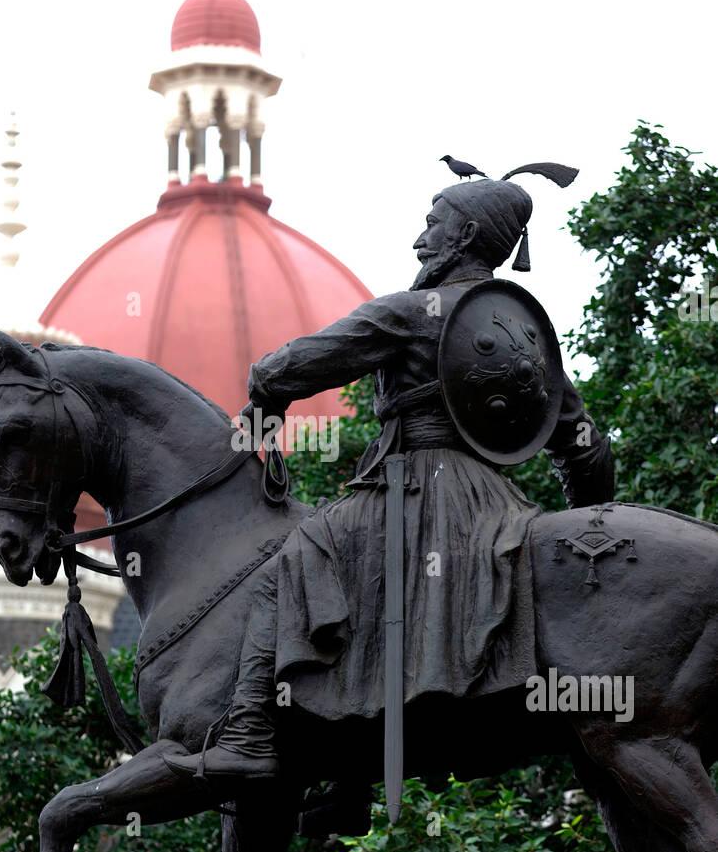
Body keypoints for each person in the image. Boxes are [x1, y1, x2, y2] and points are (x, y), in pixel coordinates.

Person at [166, 175, 614, 781]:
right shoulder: (527, 338)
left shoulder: (411, 313)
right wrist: (587, 535)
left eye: (434, 225)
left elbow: (294, 364)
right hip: (498, 503)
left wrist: (265, 388)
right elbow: (586, 452)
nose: (419, 242)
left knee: (298, 557)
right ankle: (345, 775)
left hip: (415, 486)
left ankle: (249, 732)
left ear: (466, 237)